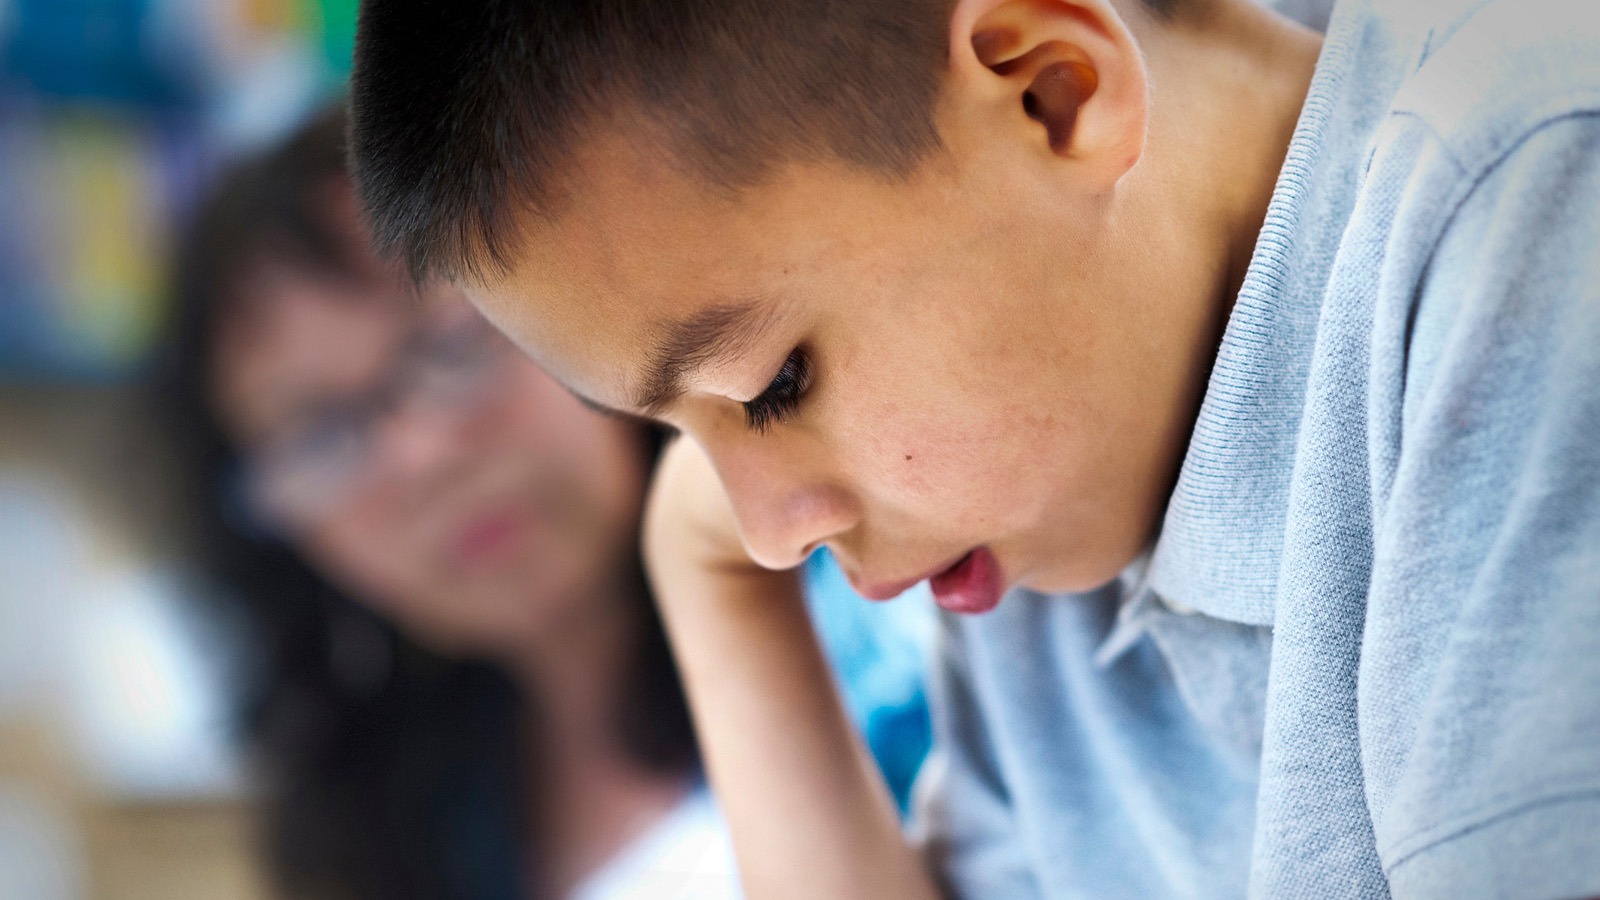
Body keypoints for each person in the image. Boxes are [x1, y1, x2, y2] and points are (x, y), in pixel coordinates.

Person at [344, 0, 1600, 897]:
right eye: (672, 433)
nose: (775, 530)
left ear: (1051, 89)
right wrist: (712, 590)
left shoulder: (1533, 207)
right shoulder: (1047, 499)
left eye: (773, 386)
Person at [158, 107, 739, 900]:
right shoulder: (389, 822)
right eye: (322, 436)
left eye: (451, 347)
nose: (420, 456)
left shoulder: (883, 631)